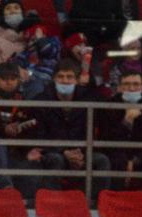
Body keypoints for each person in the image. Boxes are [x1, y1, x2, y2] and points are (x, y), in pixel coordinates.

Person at [33, 59, 112, 195]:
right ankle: (52, 201)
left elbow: (105, 117)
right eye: (61, 76)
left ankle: (93, 203)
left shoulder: (89, 98)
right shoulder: (42, 100)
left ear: (77, 80)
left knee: (101, 160)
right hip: (53, 151)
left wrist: (80, 153)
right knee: (55, 159)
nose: (65, 81)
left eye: (69, 77)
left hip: (82, 151)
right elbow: (40, 135)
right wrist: (63, 151)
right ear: (54, 79)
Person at [0, 61, 46, 200]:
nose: (9, 83)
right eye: (4, 79)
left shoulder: (24, 101)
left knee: (32, 176)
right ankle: (7, 190)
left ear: (18, 80)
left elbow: (31, 130)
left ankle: (26, 207)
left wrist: (28, 151)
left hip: (15, 151)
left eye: (12, 79)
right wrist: (3, 130)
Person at [95, 69, 142, 192]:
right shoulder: (109, 106)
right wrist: (126, 121)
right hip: (116, 154)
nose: (131, 88)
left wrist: (133, 160)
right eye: (126, 84)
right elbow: (106, 139)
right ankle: (115, 199)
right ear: (119, 88)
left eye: (136, 84)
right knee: (117, 162)